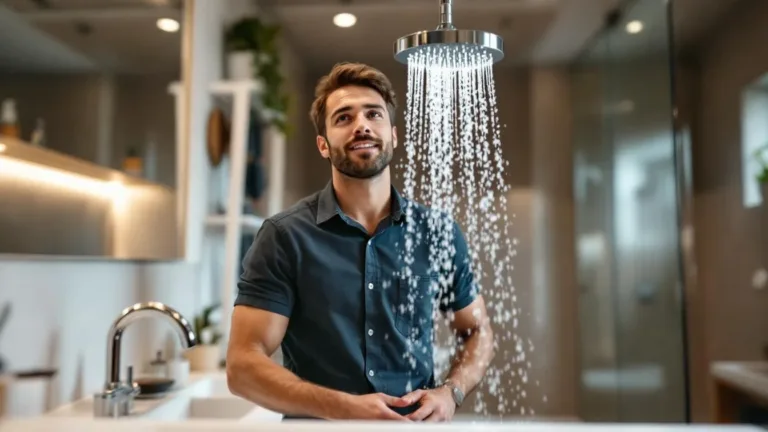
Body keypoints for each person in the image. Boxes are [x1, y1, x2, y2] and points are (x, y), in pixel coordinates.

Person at [226, 62, 495, 422]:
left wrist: (451, 392)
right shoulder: (284, 236)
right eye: (343, 118)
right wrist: (344, 408)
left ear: (394, 135)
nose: (362, 125)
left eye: (373, 114)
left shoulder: (438, 232)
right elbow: (243, 365)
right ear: (323, 144)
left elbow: (477, 330)